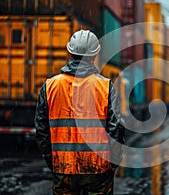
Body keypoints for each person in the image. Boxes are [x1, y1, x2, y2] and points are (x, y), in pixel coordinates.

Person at [34, 29, 125, 195]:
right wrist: (113, 162)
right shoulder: (105, 87)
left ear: (69, 52)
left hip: (63, 167)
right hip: (98, 169)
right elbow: (116, 129)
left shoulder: (50, 86)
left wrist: (52, 160)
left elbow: (41, 131)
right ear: (95, 55)